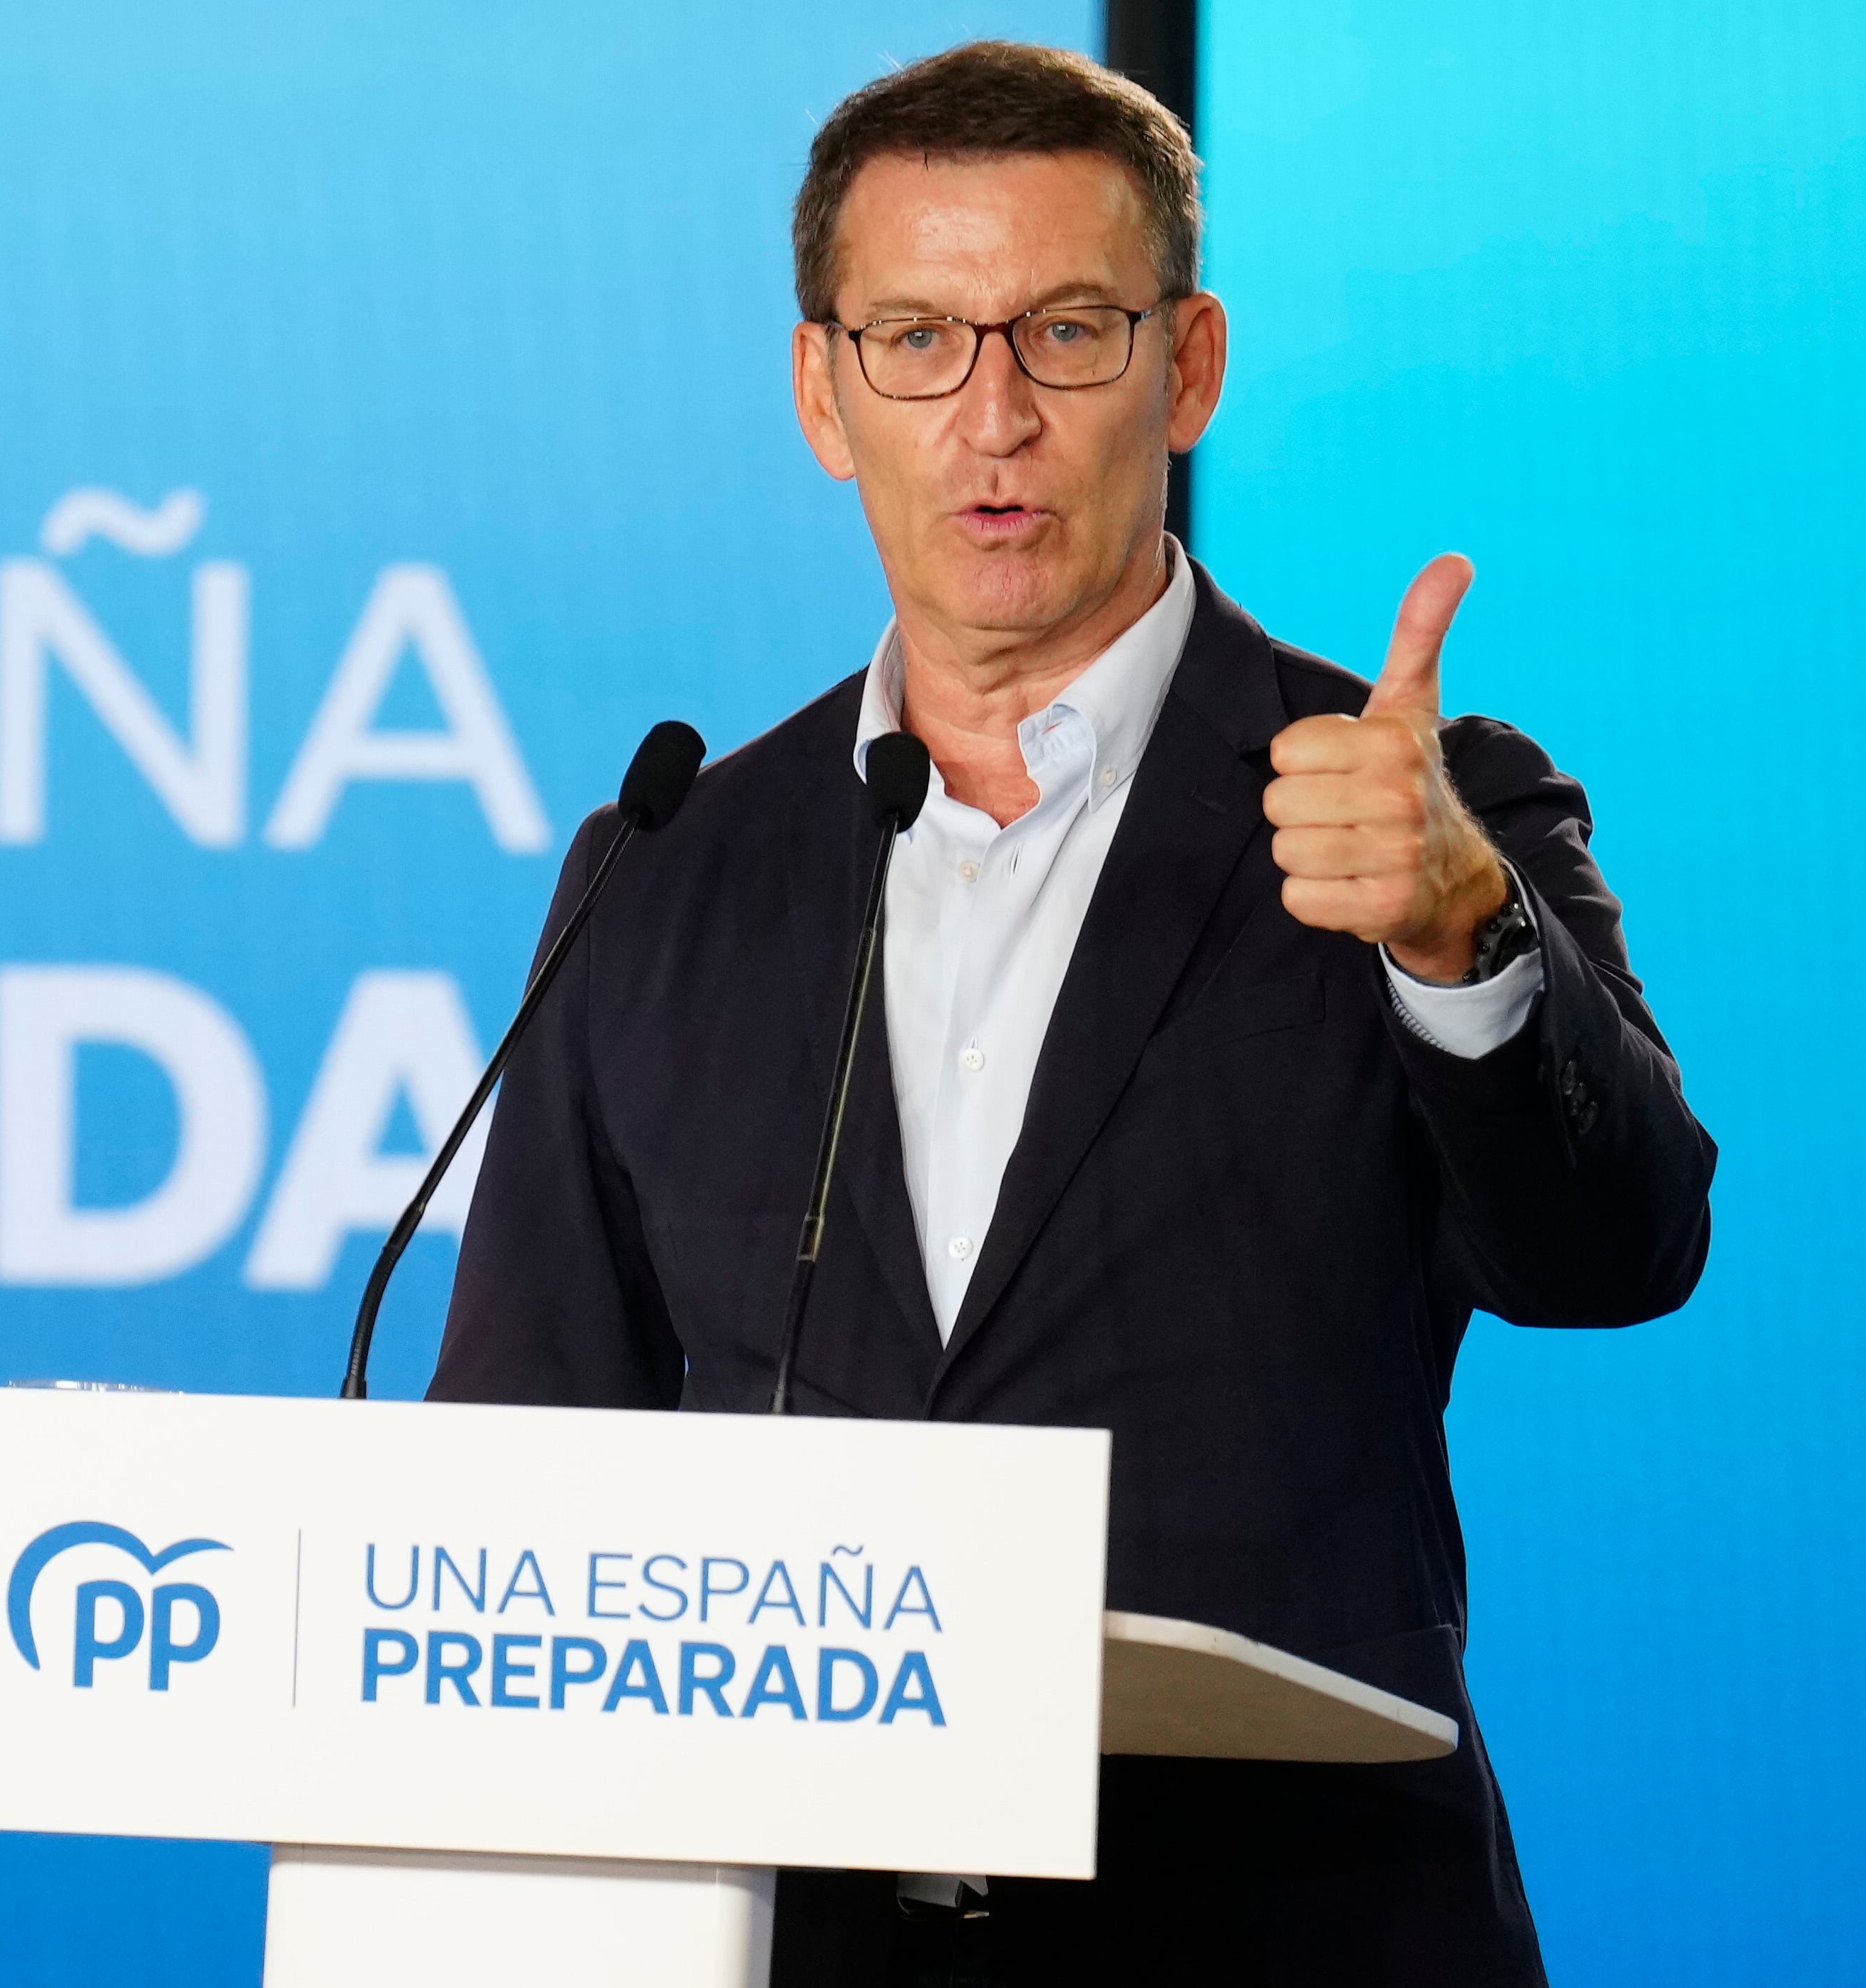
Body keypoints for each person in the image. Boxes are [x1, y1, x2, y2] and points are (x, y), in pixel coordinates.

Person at [425, 40, 1715, 1988]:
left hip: (1285, 1935)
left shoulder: (1421, 813)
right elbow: (519, 1473)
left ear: (1190, 365)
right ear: (823, 394)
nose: (995, 416)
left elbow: (1619, 1251)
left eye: (1070, 332)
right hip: (784, 1946)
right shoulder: (669, 867)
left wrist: (1459, 935)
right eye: (921, 340)